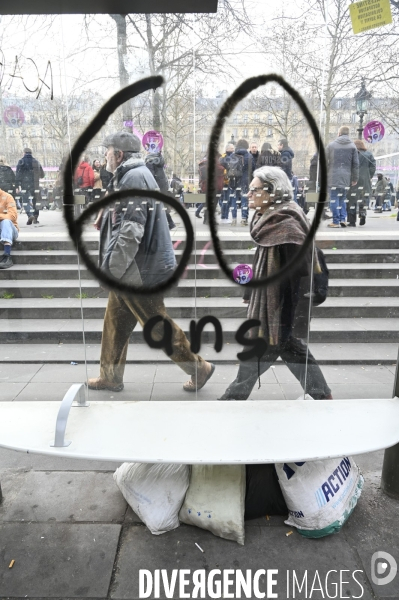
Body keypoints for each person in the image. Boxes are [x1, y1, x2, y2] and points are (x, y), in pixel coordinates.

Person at [87, 131, 215, 393]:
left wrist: (111, 271)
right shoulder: (134, 175)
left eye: (108, 151)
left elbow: (131, 231)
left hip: (139, 271)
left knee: (158, 327)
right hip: (134, 268)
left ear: (119, 154)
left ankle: (198, 367)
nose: (105, 155)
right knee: (114, 324)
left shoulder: (133, 178)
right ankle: (110, 376)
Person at [218, 166, 332, 401]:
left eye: (254, 189)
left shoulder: (286, 225)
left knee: (260, 351)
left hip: (280, 308)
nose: (248, 194)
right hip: (273, 305)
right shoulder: (268, 219)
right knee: (293, 351)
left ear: (272, 192)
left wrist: (281, 317)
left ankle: (231, 400)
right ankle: (322, 396)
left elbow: (296, 278)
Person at [326, 126, 359, 228]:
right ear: (348, 134)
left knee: (334, 198)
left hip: (333, 176)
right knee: (343, 198)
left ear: (339, 133)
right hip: (346, 177)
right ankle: (343, 219)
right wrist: (355, 178)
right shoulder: (353, 146)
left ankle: (336, 221)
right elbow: (355, 164)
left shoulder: (331, 145)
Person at [145, 152, 176, 229]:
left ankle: (168, 223)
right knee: (161, 206)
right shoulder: (158, 161)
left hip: (157, 188)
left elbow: (150, 176)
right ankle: (169, 223)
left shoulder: (150, 162)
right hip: (163, 187)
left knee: (155, 206)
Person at [15, 148, 44, 226]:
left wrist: (17, 185)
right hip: (35, 184)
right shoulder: (36, 162)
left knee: (25, 200)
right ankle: (35, 217)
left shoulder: (21, 161)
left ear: (24, 153)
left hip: (25, 184)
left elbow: (18, 174)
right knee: (35, 201)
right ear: (31, 153)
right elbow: (42, 174)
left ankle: (29, 214)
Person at [349, 140, 376, 226]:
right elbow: (373, 166)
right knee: (362, 199)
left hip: (353, 180)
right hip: (365, 180)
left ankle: (352, 221)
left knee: (352, 200)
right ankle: (362, 214)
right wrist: (369, 176)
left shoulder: (352, 153)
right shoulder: (369, 154)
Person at [233, 139, 252, 226]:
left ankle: (234, 219)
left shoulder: (233, 155)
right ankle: (244, 219)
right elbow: (253, 168)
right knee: (245, 198)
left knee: (234, 198)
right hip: (245, 180)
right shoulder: (249, 156)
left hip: (234, 180)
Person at [0, 187, 19, 269]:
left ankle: (7, 256)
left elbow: (12, 216)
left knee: (6, 222)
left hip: (11, 231)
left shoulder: (8, 197)